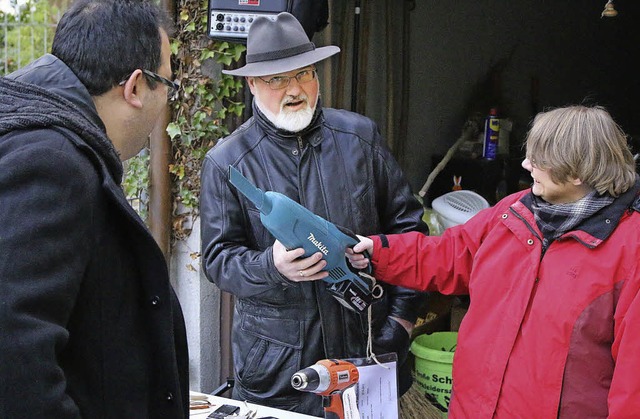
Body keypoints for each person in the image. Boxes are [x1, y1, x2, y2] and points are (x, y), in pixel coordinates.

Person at [200, 12, 428, 416]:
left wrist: (402, 322)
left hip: (370, 346)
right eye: (276, 79)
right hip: (280, 366)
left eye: (304, 74)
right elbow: (218, 260)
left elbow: (410, 231)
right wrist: (271, 266)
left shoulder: (360, 138)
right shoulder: (227, 162)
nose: (295, 89)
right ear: (252, 84)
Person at [347, 105, 640, 418]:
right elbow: (449, 255)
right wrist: (377, 252)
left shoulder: (630, 248)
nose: (526, 165)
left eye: (539, 159)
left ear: (577, 171)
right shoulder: (514, 210)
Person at [0, 0, 189, 417]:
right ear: (136, 87)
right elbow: (13, 350)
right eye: (168, 84)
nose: (167, 101)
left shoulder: (39, 136)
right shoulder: (51, 161)